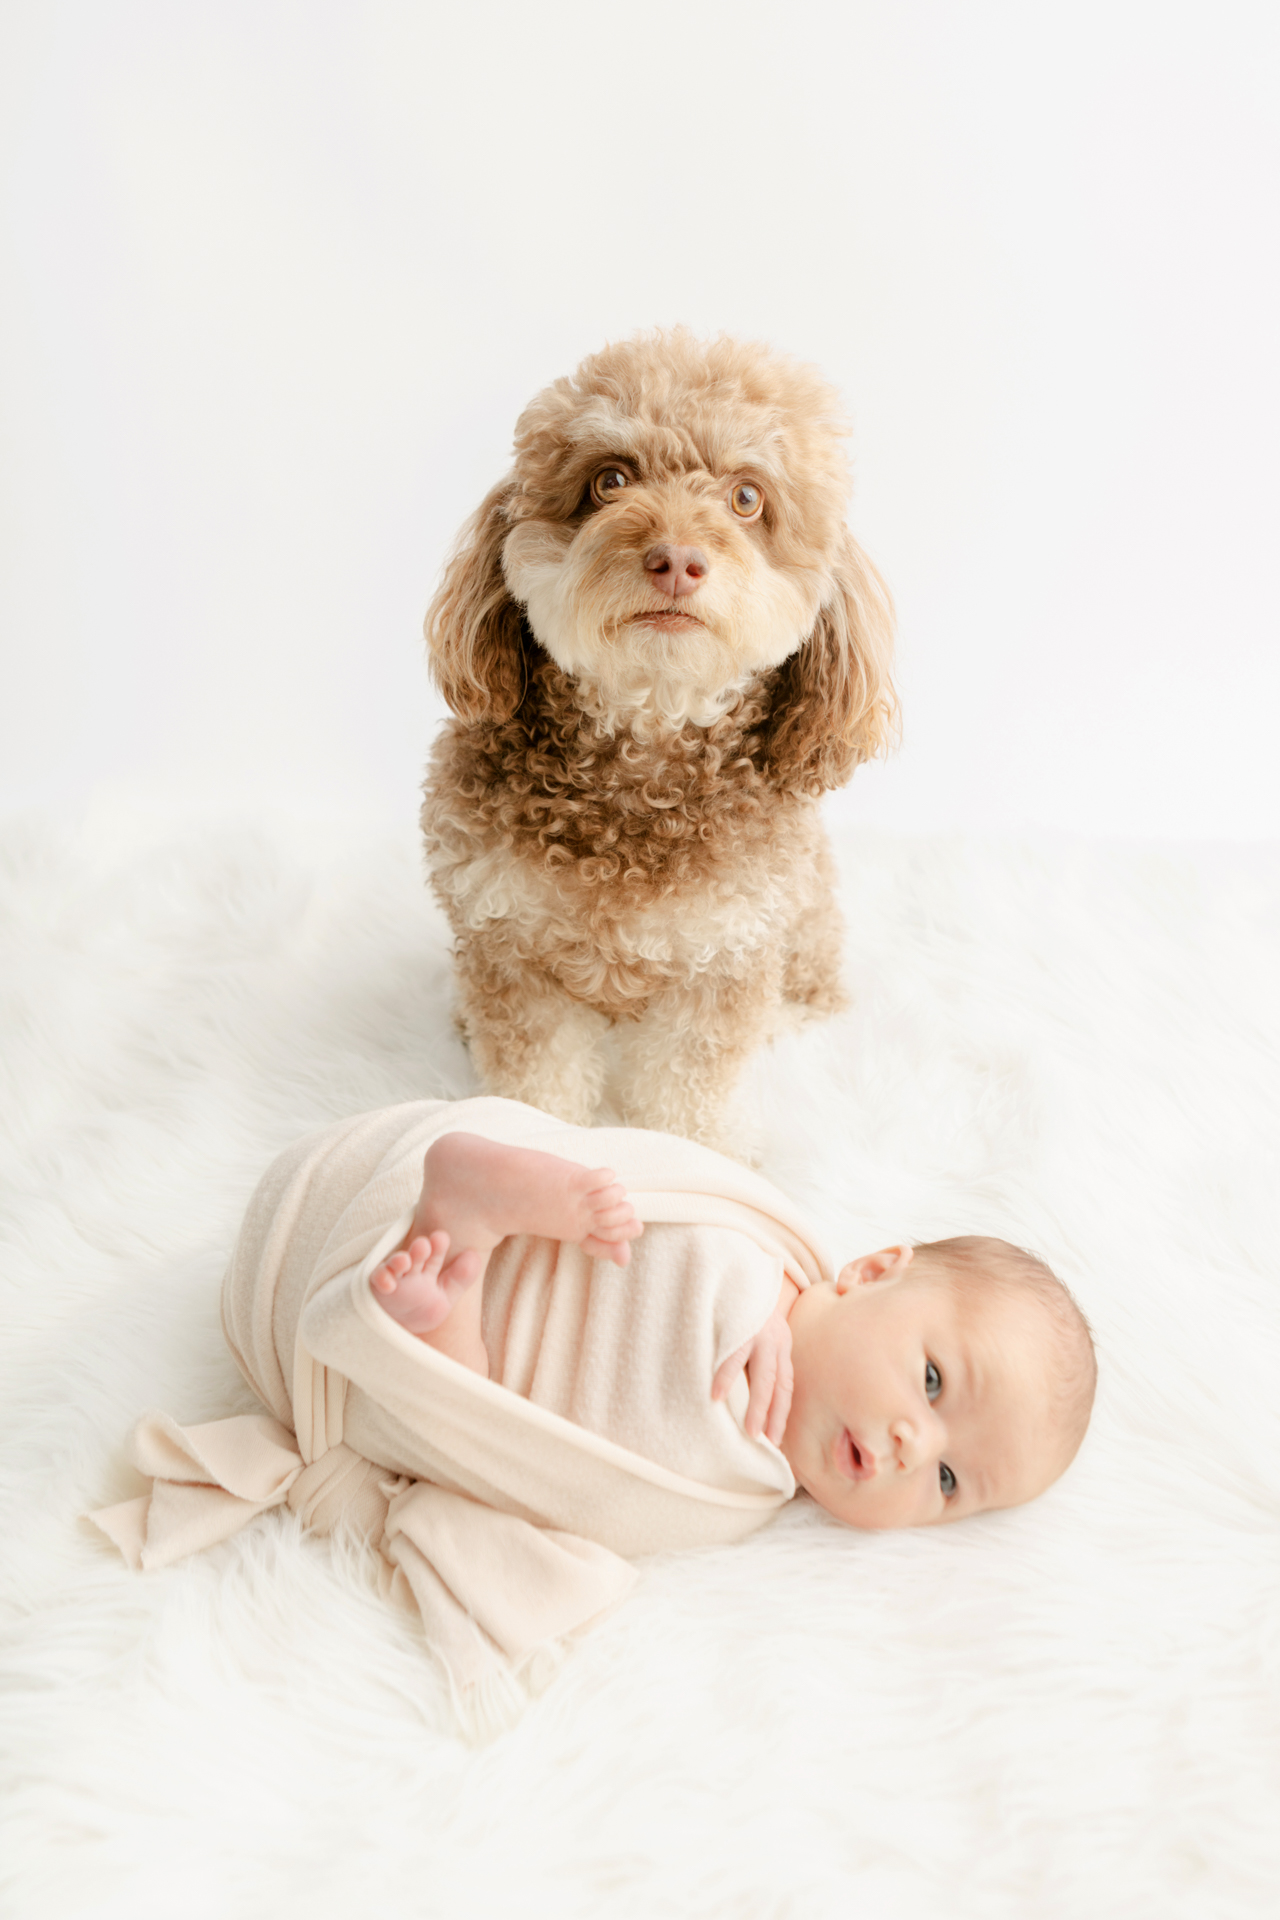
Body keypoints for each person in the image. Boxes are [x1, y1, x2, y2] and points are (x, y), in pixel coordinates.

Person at [369, 1128, 1095, 1529]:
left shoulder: (752, 1492)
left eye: (947, 1480)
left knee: (462, 1439)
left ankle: (445, 1272)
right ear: (870, 1272)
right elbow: (683, 1213)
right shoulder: (759, 1261)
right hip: (565, 1267)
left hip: (499, 1377)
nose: (916, 1446)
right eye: (933, 1381)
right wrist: (759, 1304)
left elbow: (603, 1499)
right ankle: (497, 1202)